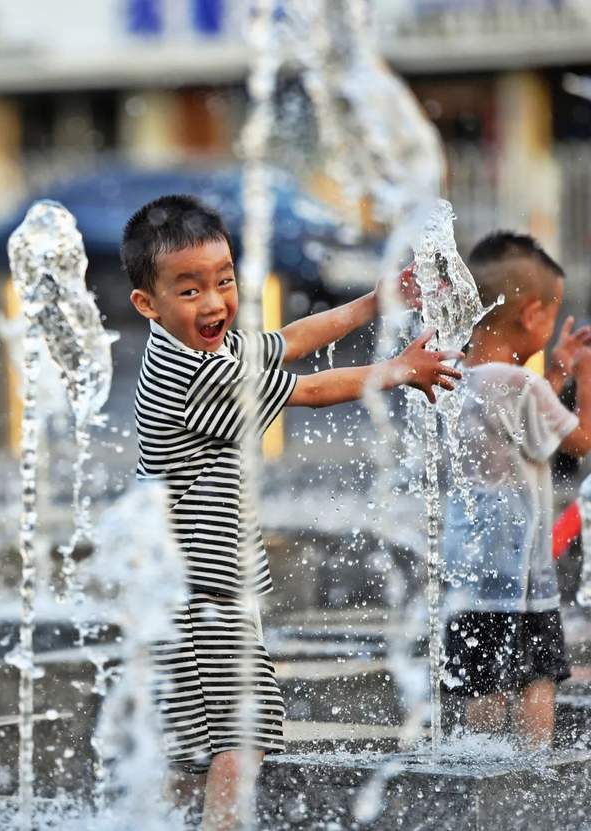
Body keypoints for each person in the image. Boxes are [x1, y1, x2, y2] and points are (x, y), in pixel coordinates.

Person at [122, 193, 461, 830]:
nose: (214, 302)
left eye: (223, 281)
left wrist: (372, 303)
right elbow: (308, 390)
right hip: (205, 593)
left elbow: (287, 342)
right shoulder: (196, 374)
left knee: (194, 746)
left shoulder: (195, 349)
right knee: (243, 731)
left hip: (180, 586)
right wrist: (398, 370)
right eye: (190, 290)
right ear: (148, 303)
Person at [441, 231, 591, 747]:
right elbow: (580, 440)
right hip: (521, 566)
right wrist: (584, 381)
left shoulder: (455, 375)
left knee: (479, 674)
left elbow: (522, 428)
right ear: (531, 315)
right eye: (552, 318)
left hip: (468, 562)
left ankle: (479, 760)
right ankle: (533, 763)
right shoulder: (522, 384)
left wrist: (556, 371)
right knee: (536, 672)